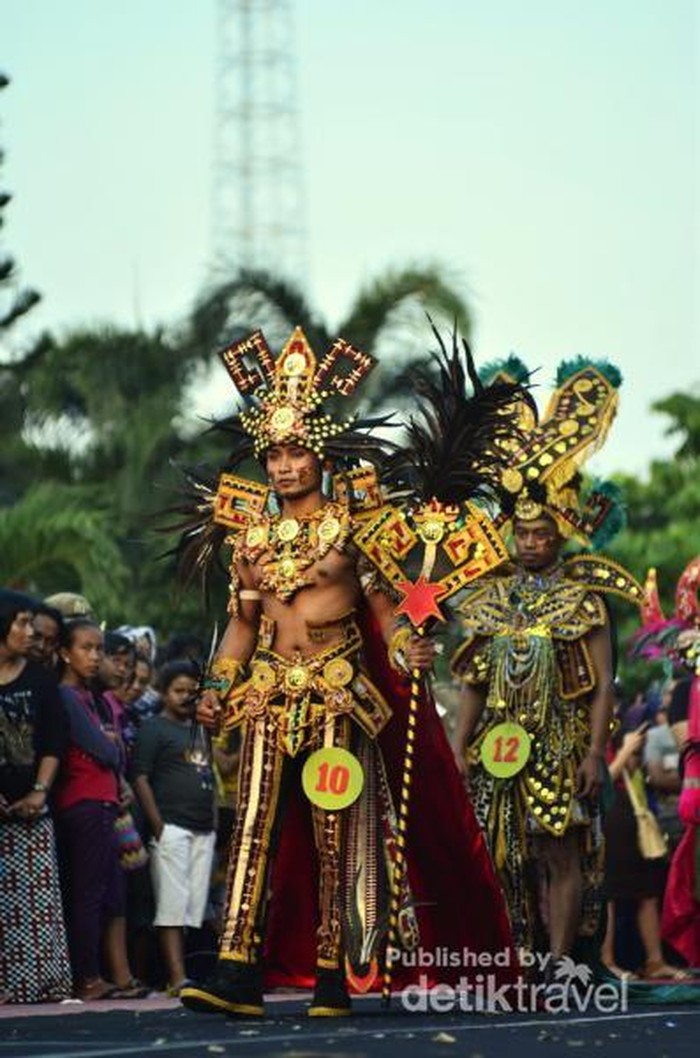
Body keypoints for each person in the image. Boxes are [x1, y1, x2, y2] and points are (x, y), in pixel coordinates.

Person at [173, 326, 518, 1018]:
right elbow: (243, 625)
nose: (283, 465)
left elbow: (388, 612)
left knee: (339, 834)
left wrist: (404, 652)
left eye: (296, 450)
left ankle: (337, 970)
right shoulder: (249, 536)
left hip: (337, 692)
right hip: (269, 693)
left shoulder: (358, 525)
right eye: (273, 452)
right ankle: (237, 968)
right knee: (252, 830)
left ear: (321, 452)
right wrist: (217, 687)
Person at [451, 358, 643, 972]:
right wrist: (458, 744)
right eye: (522, 534)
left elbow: (602, 688)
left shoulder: (582, 599)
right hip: (495, 748)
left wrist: (592, 754)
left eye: (540, 535)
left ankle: (560, 958)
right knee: (505, 854)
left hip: (558, 743)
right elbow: (474, 678)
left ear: (560, 535)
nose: (530, 543)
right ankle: (520, 952)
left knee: (558, 850)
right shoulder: (492, 598)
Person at [53, 618, 147, 999]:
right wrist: (111, 747)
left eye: (99, 650)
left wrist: (112, 749)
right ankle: (87, 976)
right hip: (83, 801)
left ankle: (100, 974)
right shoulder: (65, 696)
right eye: (86, 649)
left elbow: (115, 752)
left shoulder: (90, 698)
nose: (95, 657)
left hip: (104, 801)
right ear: (64, 653)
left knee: (110, 894)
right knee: (89, 893)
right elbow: (107, 750)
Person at [0, 588, 72, 1003]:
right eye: (22, 623)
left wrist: (40, 792)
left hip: (33, 810)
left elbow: (53, 742)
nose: (30, 632)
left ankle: (43, 985)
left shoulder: (40, 680)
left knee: (38, 905)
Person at [132, 659, 217, 996]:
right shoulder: (154, 728)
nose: (186, 697)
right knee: (171, 904)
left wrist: (211, 820)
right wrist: (158, 826)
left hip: (202, 829)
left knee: (192, 905)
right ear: (163, 693)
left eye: (192, 692)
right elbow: (139, 777)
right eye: (178, 691)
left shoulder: (200, 728)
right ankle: (176, 977)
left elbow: (208, 776)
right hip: (171, 827)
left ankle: (182, 974)